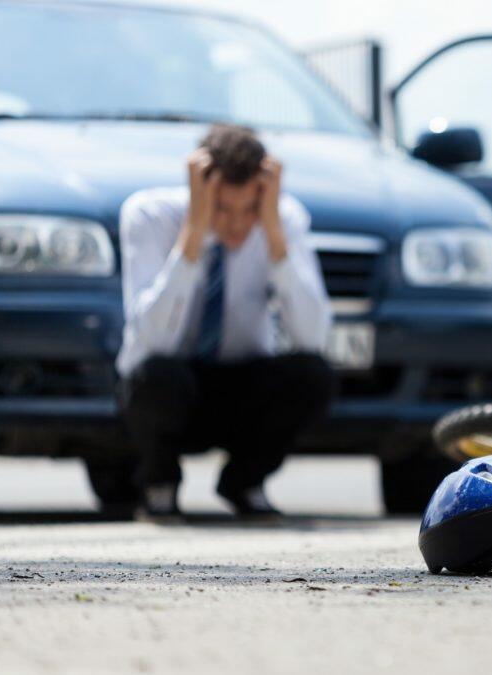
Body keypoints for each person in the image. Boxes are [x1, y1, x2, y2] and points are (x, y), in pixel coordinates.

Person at [116, 124, 334, 522]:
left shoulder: (282, 219)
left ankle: (244, 483)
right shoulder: (148, 215)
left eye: (248, 209)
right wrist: (194, 232)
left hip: (240, 385)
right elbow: (151, 339)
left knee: (312, 376)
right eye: (222, 208)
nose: (236, 225)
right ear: (198, 190)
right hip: (172, 387)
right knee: (155, 376)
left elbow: (312, 337)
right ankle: (159, 485)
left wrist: (272, 233)